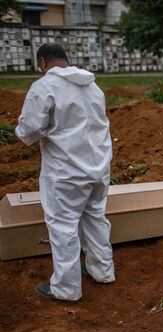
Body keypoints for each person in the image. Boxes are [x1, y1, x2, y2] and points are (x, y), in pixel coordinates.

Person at [16, 43, 115, 301]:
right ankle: (102, 270)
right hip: (98, 167)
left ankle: (67, 288)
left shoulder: (45, 87)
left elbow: (28, 129)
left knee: (63, 226)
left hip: (65, 172)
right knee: (95, 217)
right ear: (65, 60)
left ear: (43, 63)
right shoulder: (92, 86)